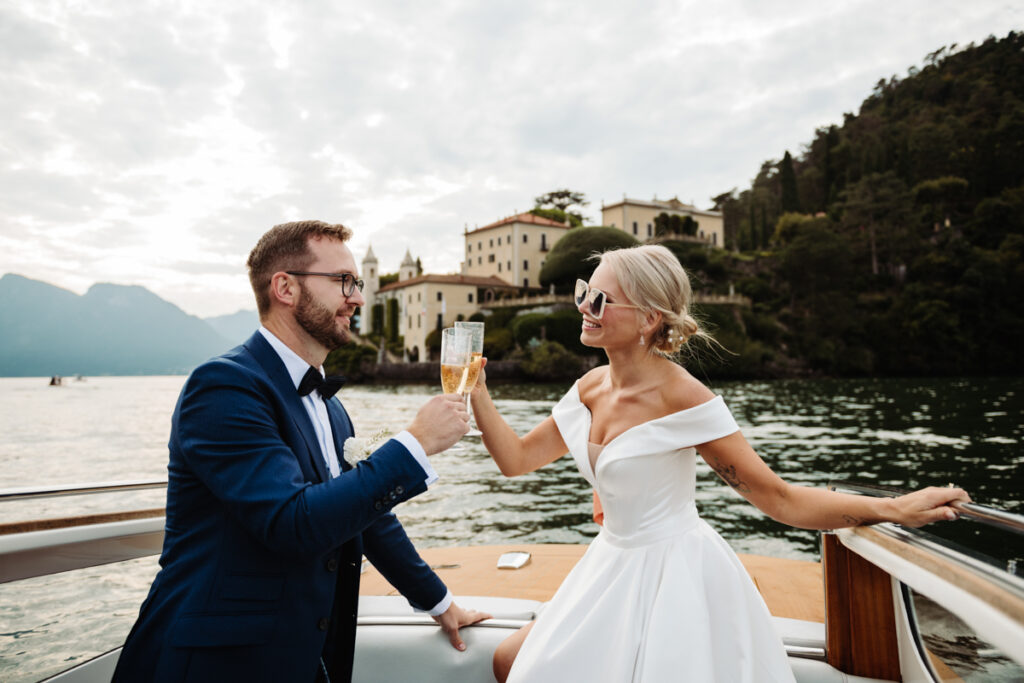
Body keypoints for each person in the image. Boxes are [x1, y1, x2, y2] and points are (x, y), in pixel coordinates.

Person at [469, 244, 970, 683]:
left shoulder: (685, 398)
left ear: (648, 319)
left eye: (599, 299)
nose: (583, 306)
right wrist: (477, 391)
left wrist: (894, 508)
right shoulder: (589, 388)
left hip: (674, 573)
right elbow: (515, 460)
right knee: (510, 661)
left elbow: (779, 498)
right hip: (608, 563)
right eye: (583, 291)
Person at [113, 220, 489, 683]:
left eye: (358, 283)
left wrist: (440, 603)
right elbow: (290, 524)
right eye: (343, 282)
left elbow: (368, 519)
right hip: (213, 664)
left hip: (305, 654)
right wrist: (414, 443)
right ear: (285, 288)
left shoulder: (331, 410)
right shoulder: (224, 387)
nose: (357, 298)